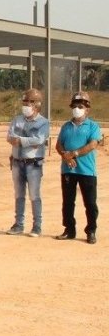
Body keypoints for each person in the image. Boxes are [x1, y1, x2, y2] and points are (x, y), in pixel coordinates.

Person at [55, 91, 100, 244]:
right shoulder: (66, 126)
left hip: (87, 171)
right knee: (67, 202)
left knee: (90, 203)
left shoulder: (93, 126)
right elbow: (59, 145)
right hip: (68, 170)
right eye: (74, 105)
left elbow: (92, 144)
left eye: (80, 106)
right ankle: (69, 229)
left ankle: (91, 230)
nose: (77, 108)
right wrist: (65, 156)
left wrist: (73, 154)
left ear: (87, 108)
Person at [6, 88, 50, 237]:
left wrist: (20, 140)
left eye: (30, 102)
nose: (26, 104)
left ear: (37, 104)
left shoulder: (43, 122)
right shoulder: (17, 120)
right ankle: (18, 224)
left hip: (33, 164)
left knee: (34, 195)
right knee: (19, 195)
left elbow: (39, 139)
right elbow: (10, 136)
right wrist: (28, 141)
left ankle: (37, 226)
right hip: (18, 162)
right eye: (25, 101)